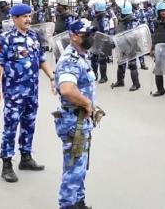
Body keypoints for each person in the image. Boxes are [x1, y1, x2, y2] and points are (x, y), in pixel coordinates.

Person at [0, 4, 55, 183]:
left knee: (29, 124)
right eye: (24, 17)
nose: (28, 20)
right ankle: (7, 164)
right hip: (13, 93)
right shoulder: (5, 39)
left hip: (32, 92)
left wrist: (52, 77)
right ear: (14, 18)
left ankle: (25, 158)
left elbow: (41, 59)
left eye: (29, 16)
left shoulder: (34, 36)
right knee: (10, 127)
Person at [54, 18, 97, 209]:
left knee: (80, 166)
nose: (90, 38)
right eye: (86, 35)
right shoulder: (70, 60)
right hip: (74, 121)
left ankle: (78, 202)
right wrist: (87, 103)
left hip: (80, 119)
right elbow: (67, 89)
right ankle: (68, 205)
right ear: (73, 37)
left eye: (91, 34)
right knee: (74, 168)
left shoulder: (81, 56)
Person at [112, 1, 141, 91]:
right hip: (122, 45)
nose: (119, 10)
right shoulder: (121, 18)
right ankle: (120, 81)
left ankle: (136, 84)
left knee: (132, 65)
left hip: (131, 46)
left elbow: (135, 35)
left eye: (120, 9)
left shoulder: (133, 20)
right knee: (121, 64)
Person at [91, 0, 110, 83]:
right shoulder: (96, 17)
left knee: (102, 59)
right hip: (96, 40)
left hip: (104, 40)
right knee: (93, 58)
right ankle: (94, 74)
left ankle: (103, 77)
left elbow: (105, 31)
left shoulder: (105, 18)